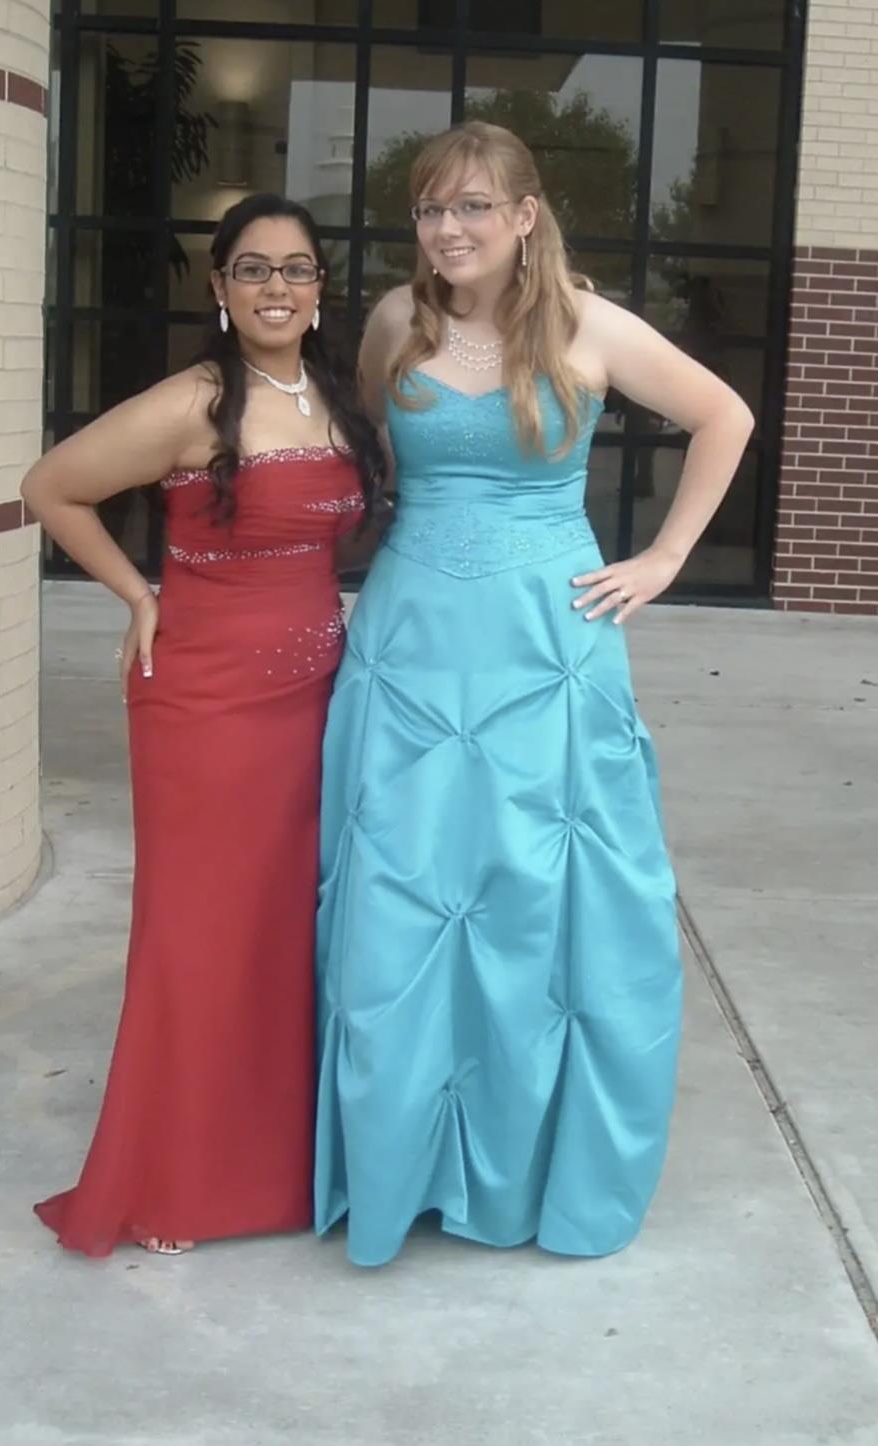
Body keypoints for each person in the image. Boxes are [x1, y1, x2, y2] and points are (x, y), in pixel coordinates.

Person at [314, 122, 753, 1268]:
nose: (446, 230)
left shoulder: (589, 328)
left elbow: (725, 417)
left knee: (534, 894)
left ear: (523, 216)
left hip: (547, 647)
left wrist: (660, 560)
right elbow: (386, 464)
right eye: (427, 210)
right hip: (412, 638)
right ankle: (403, 1160)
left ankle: (525, 1160)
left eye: (469, 207)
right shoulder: (393, 326)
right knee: (407, 890)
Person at [24, 193, 383, 1256]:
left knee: (281, 937)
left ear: (320, 291)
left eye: (299, 269)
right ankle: (171, 1179)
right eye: (255, 269)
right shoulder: (193, 401)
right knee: (196, 937)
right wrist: (138, 594)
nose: (279, 287)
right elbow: (51, 487)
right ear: (220, 290)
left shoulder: (332, 396)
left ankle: (270, 1172)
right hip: (205, 708)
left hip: (312, 702)